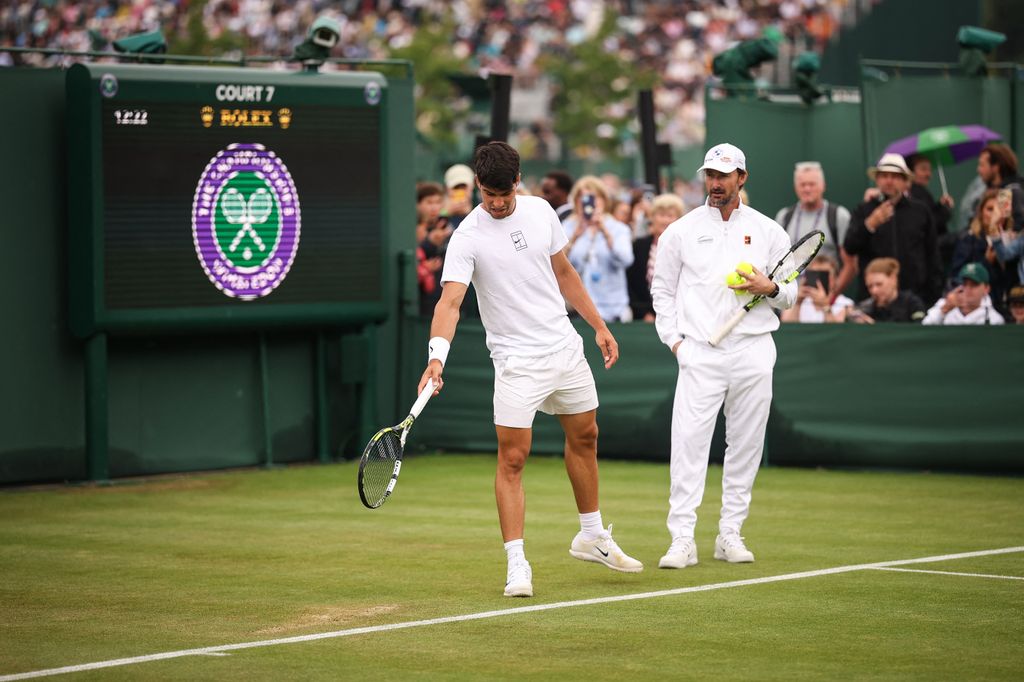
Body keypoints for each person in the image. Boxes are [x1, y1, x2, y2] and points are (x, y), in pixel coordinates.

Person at [419, 142, 643, 599]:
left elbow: (564, 274)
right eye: (488, 193)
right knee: (513, 459)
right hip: (516, 361)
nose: (497, 202)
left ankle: (592, 535)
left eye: (504, 192)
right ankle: (517, 561)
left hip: (564, 347)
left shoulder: (542, 211)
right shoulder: (467, 236)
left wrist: (598, 325)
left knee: (586, 437)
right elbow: (450, 302)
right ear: (479, 186)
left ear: (518, 181)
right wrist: (435, 355)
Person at [650, 142, 796, 569]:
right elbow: (662, 293)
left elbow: (788, 294)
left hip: (754, 349)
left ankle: (730, 533)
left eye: (723, 175)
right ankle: (682, 539)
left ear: (741, 179)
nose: (715, 183)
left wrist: (768, 288)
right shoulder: (679, 231)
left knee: (745, 446)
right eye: (710, 175)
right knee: (688, 447)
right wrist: (675, 343)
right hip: (700, 353)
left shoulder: (770, 231)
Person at [844, 153, 943, 306]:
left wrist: (932, 297)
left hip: (915, 297)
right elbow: (849, 246)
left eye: (895, 176)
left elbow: (933, 255)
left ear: (906, 182)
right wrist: (870, 224)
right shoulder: (864, 210)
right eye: (884, 176)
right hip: (873, 299)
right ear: (877, 180)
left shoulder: (920, 211)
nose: (889, 181)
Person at [775, 161, 857, 299]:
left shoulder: (838, 215)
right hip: (790, 299)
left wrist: (831, 297)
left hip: (823, 297)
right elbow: (775, 261)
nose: (807, 189)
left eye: (812, 184)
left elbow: (851, 264)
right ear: (796, 187)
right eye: (802, 185)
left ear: (823, 186)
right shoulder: (784, 216)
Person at [563, 175, 635, 322]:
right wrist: (575, 236)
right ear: (576, 202)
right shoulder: (568, 226)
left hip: (613, 308)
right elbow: (558, 263)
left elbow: (626, 260)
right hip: (579, 308)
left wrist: (605, 232)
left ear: (604, 200)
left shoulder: (617, 228)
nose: (589, 203)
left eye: (593, 198)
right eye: (583, 199)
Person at [627, 193, 685, 322]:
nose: (665, 220)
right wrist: (644, 314)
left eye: (670, 216)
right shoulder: (639, 246)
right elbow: (631, 282)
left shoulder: (686, 247)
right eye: (661, 215)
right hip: (644, 319)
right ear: (652, 218)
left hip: (678, 317)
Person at [950, 189, 1008, 311]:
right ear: (981, 212)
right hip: (977, 307)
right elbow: (957, 277)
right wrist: (986, 262)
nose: (995, 214)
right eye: (990, 209)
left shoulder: (1013, 240)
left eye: (999, 208)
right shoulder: (969, 239)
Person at [847, 257, 926, 324]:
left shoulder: (912, 303)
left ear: (893, 279)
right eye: (870, 286)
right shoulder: (865, 308)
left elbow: (918, 330)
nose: (874, 291)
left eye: (879, 284)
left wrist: (874, 327)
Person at [922, 262, 1005, 325]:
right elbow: (924, 329)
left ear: (986, 288)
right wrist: (944, 309)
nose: (968, 289)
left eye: (974, 285)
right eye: (965, 284)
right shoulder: (946, 304)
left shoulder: (994, 319)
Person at [779, 254, 853, 323]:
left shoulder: (844, 303)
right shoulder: (796, 301)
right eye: (814, 274)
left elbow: (837, 332)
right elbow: (787, 328)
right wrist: (798, 302)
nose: (819, 280)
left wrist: (825, 306)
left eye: (824, 275)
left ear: (835, 279)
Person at [975, 143, 1024, 229]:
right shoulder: (988, 191)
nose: (978, 169)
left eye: (982, 165)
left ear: (996, 167)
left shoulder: (1009, 192)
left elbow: (1014, 228)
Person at [442, 163, 475, 229]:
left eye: (463, 187)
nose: (460, 191)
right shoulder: (438, 207)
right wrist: (445, 213)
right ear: (447, 188)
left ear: (472, 186)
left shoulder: (482, 206)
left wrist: (470, 214)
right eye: (456, 187)